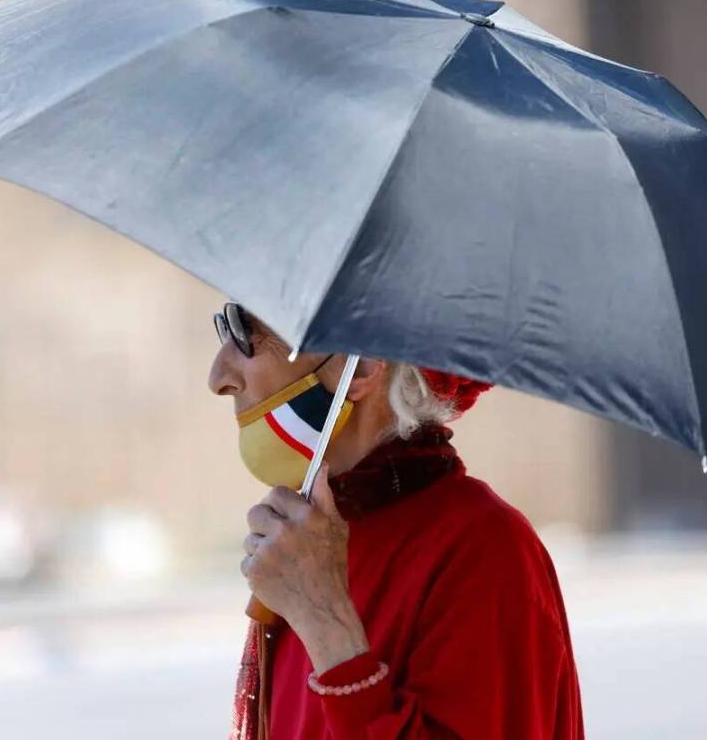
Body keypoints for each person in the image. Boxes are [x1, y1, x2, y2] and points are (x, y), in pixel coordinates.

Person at [208, 301, 584, 739]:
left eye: (248, 332)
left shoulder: (484, 549)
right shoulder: (311, 538)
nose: (218, 377)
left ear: (363, 364)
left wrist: (326, 623)